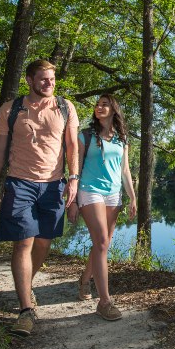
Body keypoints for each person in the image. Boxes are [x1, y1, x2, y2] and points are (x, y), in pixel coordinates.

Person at [0, 59, 79, 336]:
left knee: (43, 244)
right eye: (43, 79)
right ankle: (26, 310)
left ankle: (26, 285)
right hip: (19, 183)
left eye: (52, 79)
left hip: (53, 186)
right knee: (23, 243)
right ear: (29, 80)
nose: (49, 83)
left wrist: (73, 178)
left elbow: (72, 145)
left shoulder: (65, 107)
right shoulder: (11, 110)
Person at [67, 94, 137, 321]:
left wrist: (133, 198)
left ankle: (85, 280)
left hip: (113, 195)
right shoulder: (85, 136)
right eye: (97, 104)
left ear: (114, 109)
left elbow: (125, 171)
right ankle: (105, 302)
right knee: (102, 242)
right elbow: (74, 167)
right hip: (90, 190)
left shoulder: (122, 138)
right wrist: (74, 199)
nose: (99, 107)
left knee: (102, 245)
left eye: (104, 104)